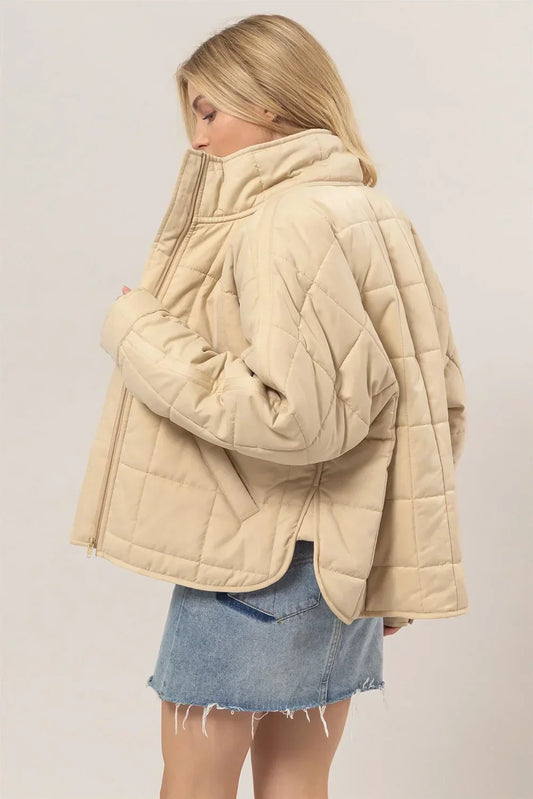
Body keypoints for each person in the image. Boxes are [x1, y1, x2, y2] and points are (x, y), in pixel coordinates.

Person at [69, 13, 468, 799]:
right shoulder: (374, 213)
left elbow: (294, 416)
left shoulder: (283, 219)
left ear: (270, 103)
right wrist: (386, 559)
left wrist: (137, 330)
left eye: (208, 111)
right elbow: (437, 402)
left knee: (194, 782)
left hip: (258, 558)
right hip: (342, 560)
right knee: (298, 780)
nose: (196, 138)